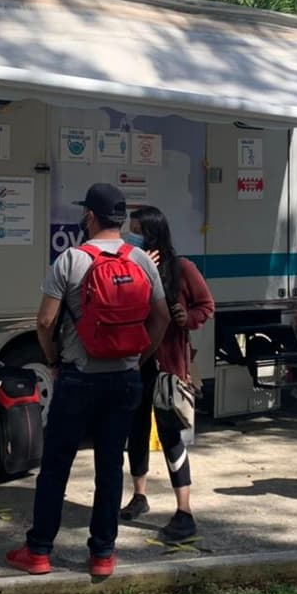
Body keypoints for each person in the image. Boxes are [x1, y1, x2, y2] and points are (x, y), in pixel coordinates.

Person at [6, 183, 170, 578]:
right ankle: (102, 555)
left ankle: (40, 551)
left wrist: (52, 359)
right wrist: (136, 358)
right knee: (110, 467)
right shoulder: (142, 260)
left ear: (90, 217)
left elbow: (45, 322)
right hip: (125, 380)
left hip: (80, 378)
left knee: (56, 465)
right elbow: (161, 318)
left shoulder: (71, 260)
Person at [120, 206, 215, 542]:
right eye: (128, 229)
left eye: (136, 230)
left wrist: (185, 316)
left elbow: (206, 305)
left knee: (171, 435)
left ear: (154, 234)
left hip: (168, 366)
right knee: (136, 430)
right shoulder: (129, 266)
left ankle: (184, 510)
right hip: (136, 363)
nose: (129, 235)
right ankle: (139, 495)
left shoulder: (182, 268)